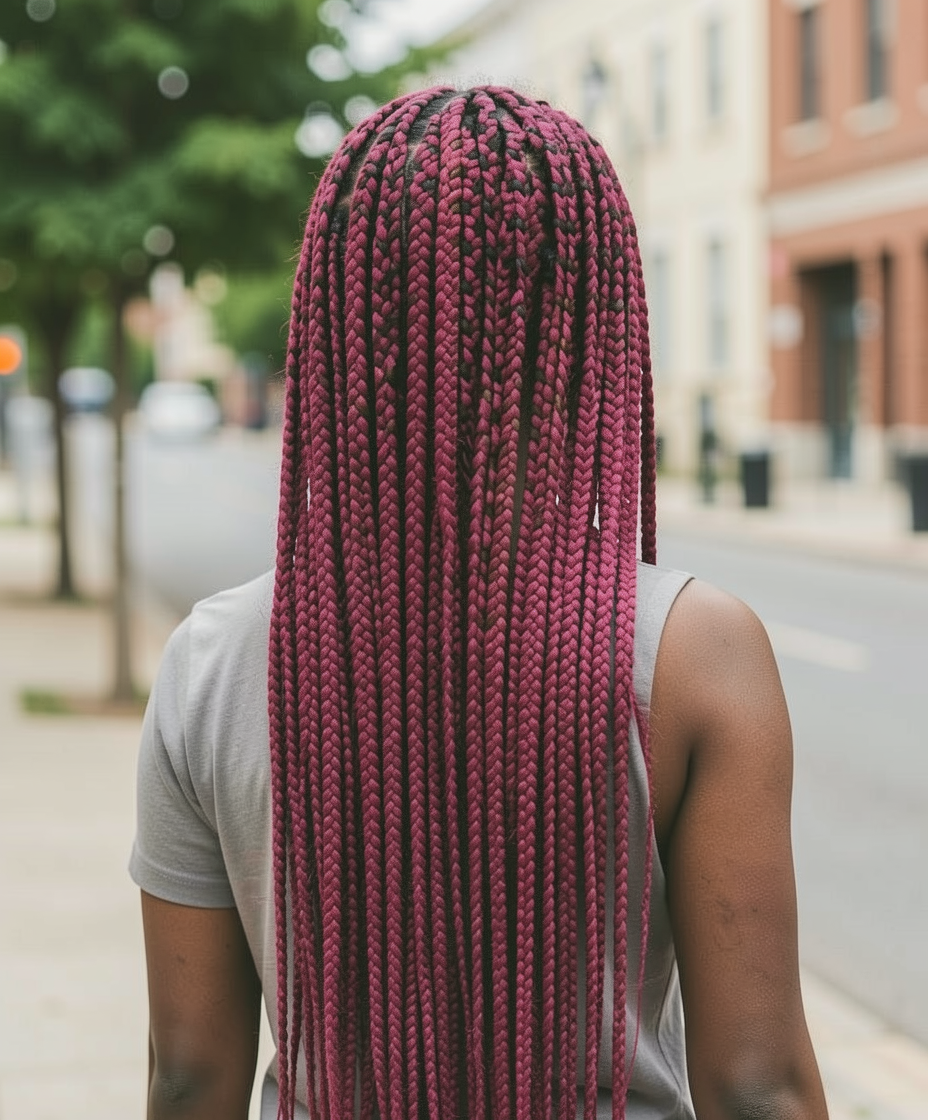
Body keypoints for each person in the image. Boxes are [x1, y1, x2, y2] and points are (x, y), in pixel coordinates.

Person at [130, 87, 830, 1120]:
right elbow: (755, 1084)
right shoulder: (694, 650)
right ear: (595, 329)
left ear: (333, 322)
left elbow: (190, 1077)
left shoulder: (217, 659)